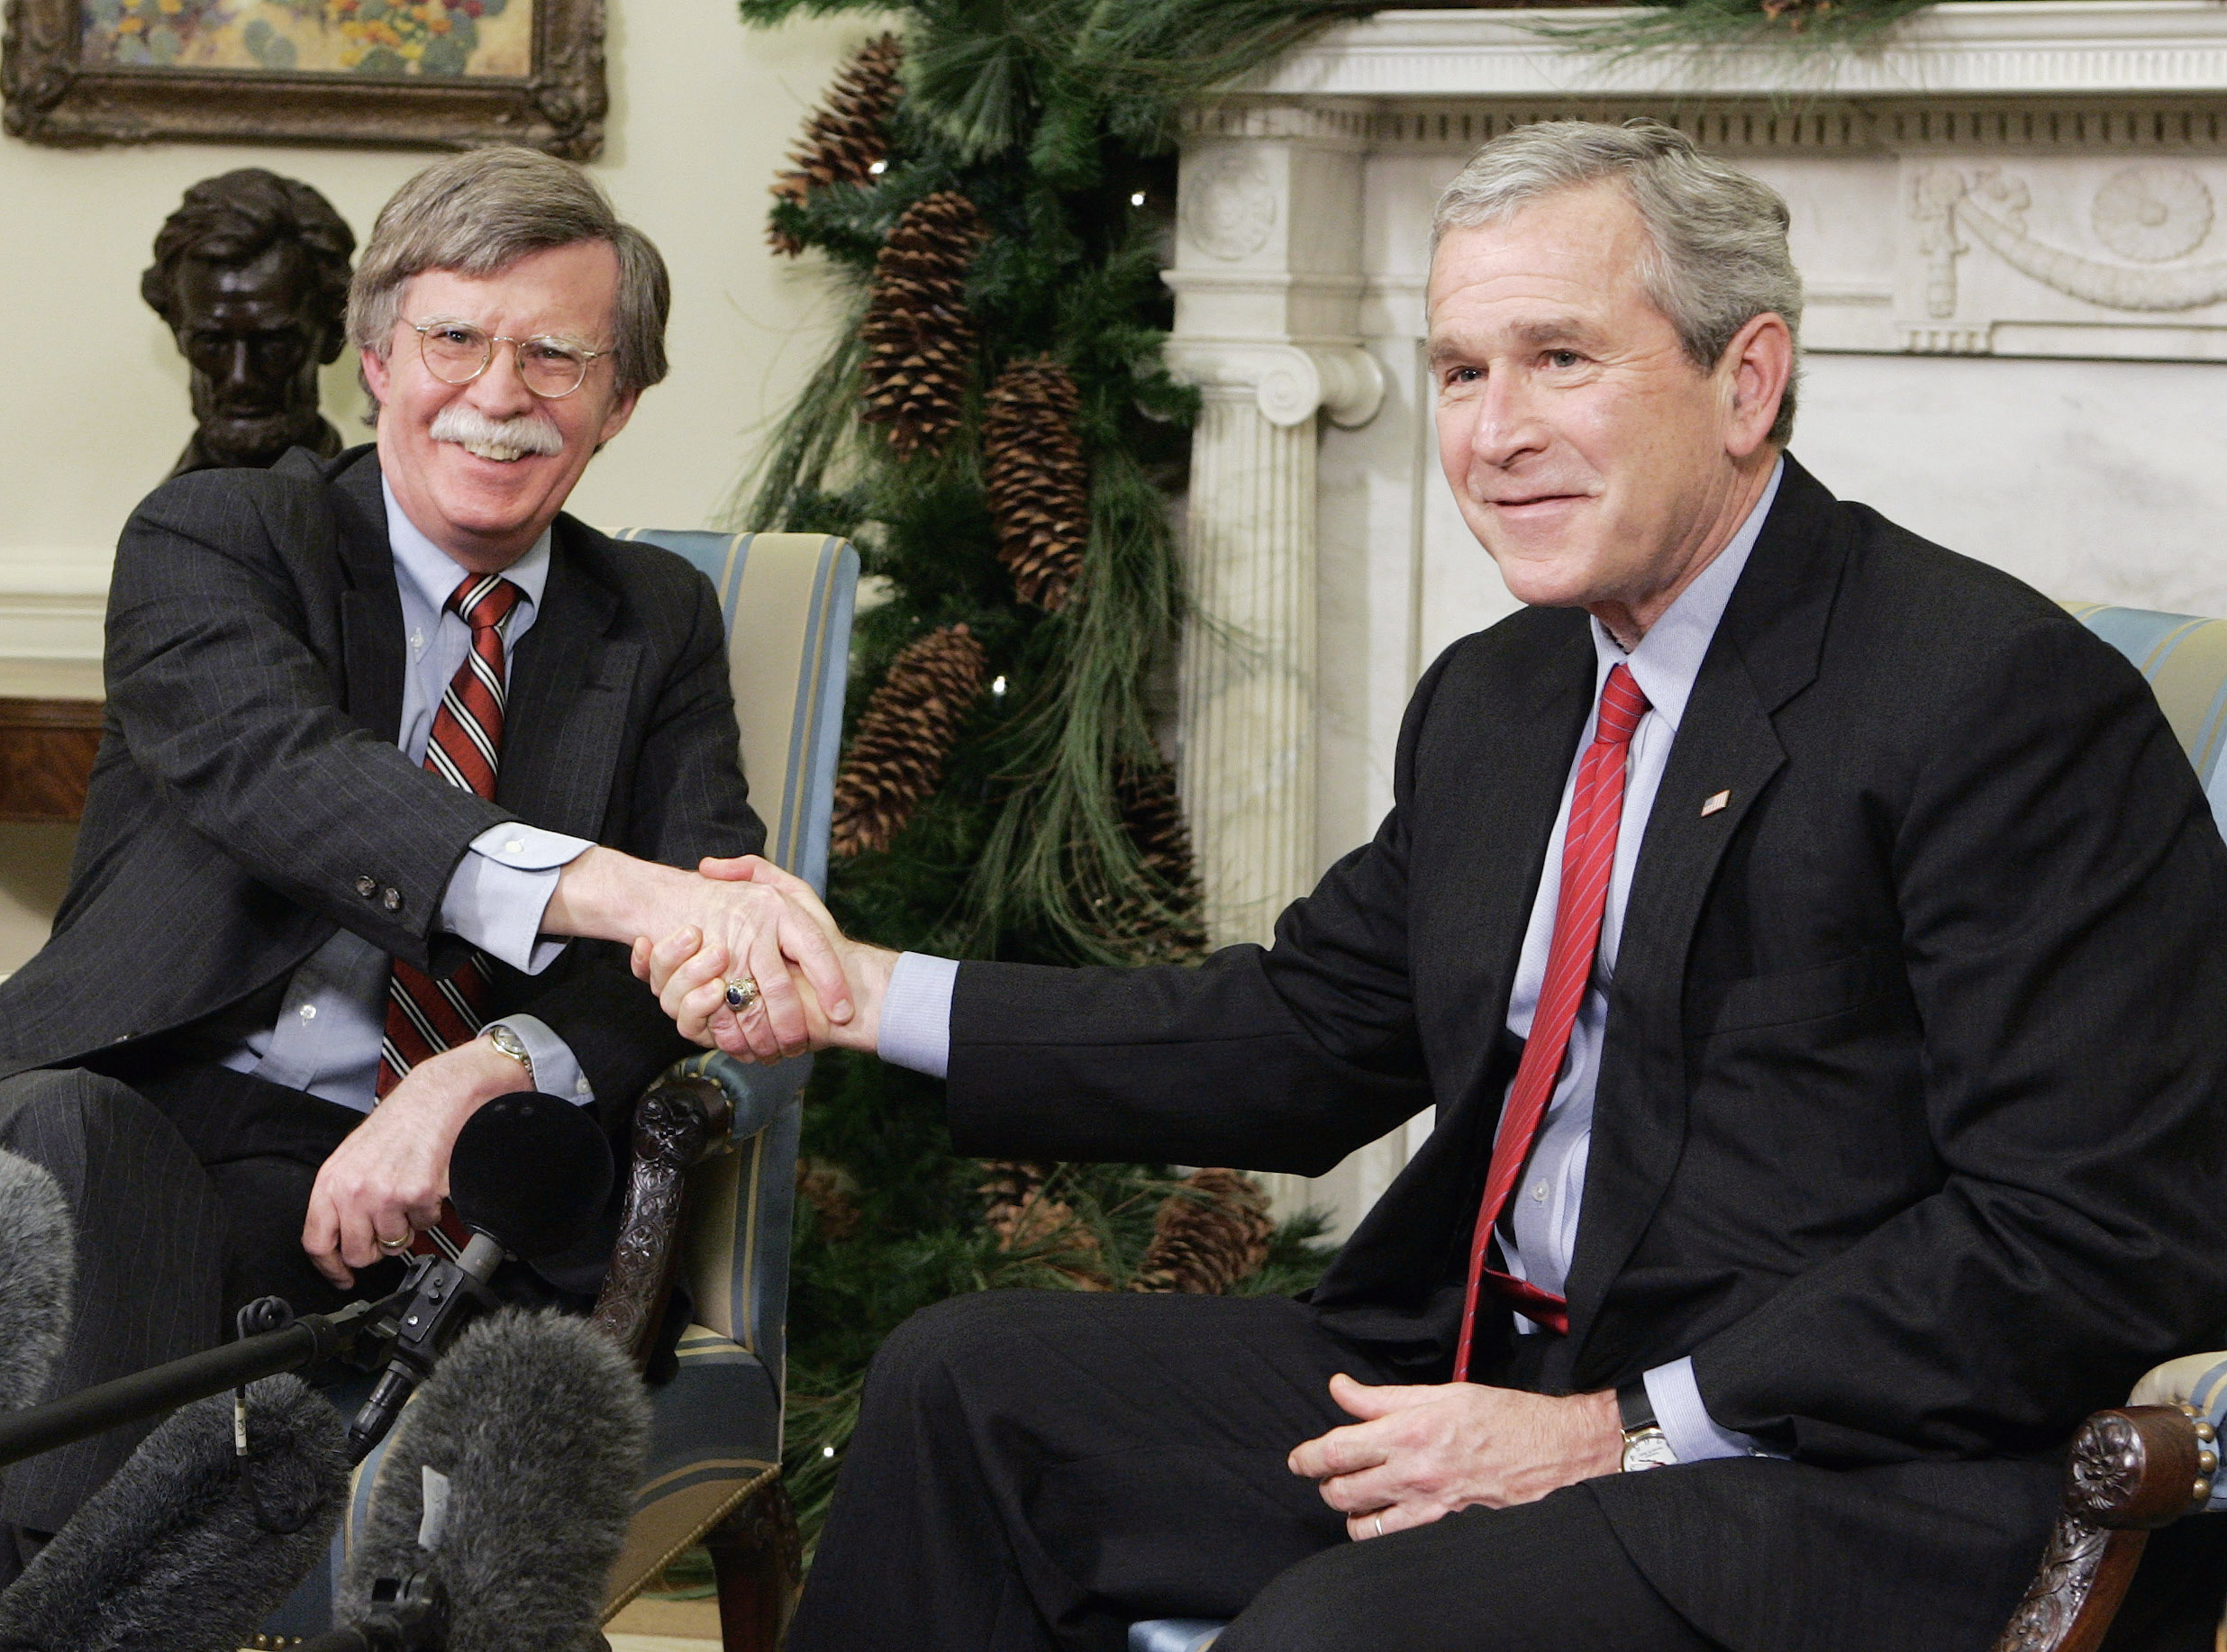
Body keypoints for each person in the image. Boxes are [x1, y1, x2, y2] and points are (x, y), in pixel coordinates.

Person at [644, 122, 2227, 1651]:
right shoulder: (1506, 691)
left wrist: (1612, 1429)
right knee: (969, 1387)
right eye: (1462, 370)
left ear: (1746, 378)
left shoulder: (1994, 701)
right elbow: (1303, 1030)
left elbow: (2083, 1233)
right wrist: (868, 993)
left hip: (1840, 1469)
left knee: (1338, 1628)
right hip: (1499, 1360)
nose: (1493, 429)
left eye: (1560, 358)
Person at [0, 146, 848, 1575]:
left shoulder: (653, 620)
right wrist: (610, 887)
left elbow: (707, 963)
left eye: (555, 356)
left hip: (474, 1192)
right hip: (177, 1109)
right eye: (455, 338)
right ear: (378, 356)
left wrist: (481, 1068)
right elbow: (284, 777)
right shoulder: (219, 536)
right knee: (70, 1150)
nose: (499, 394)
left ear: (619, 401)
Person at [141, 168, 359, 479]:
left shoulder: (370, 519)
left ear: (332, 335)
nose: (240, 378)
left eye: (275, 345)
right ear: (177, 333)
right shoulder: (156, 520)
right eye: (212, 344)